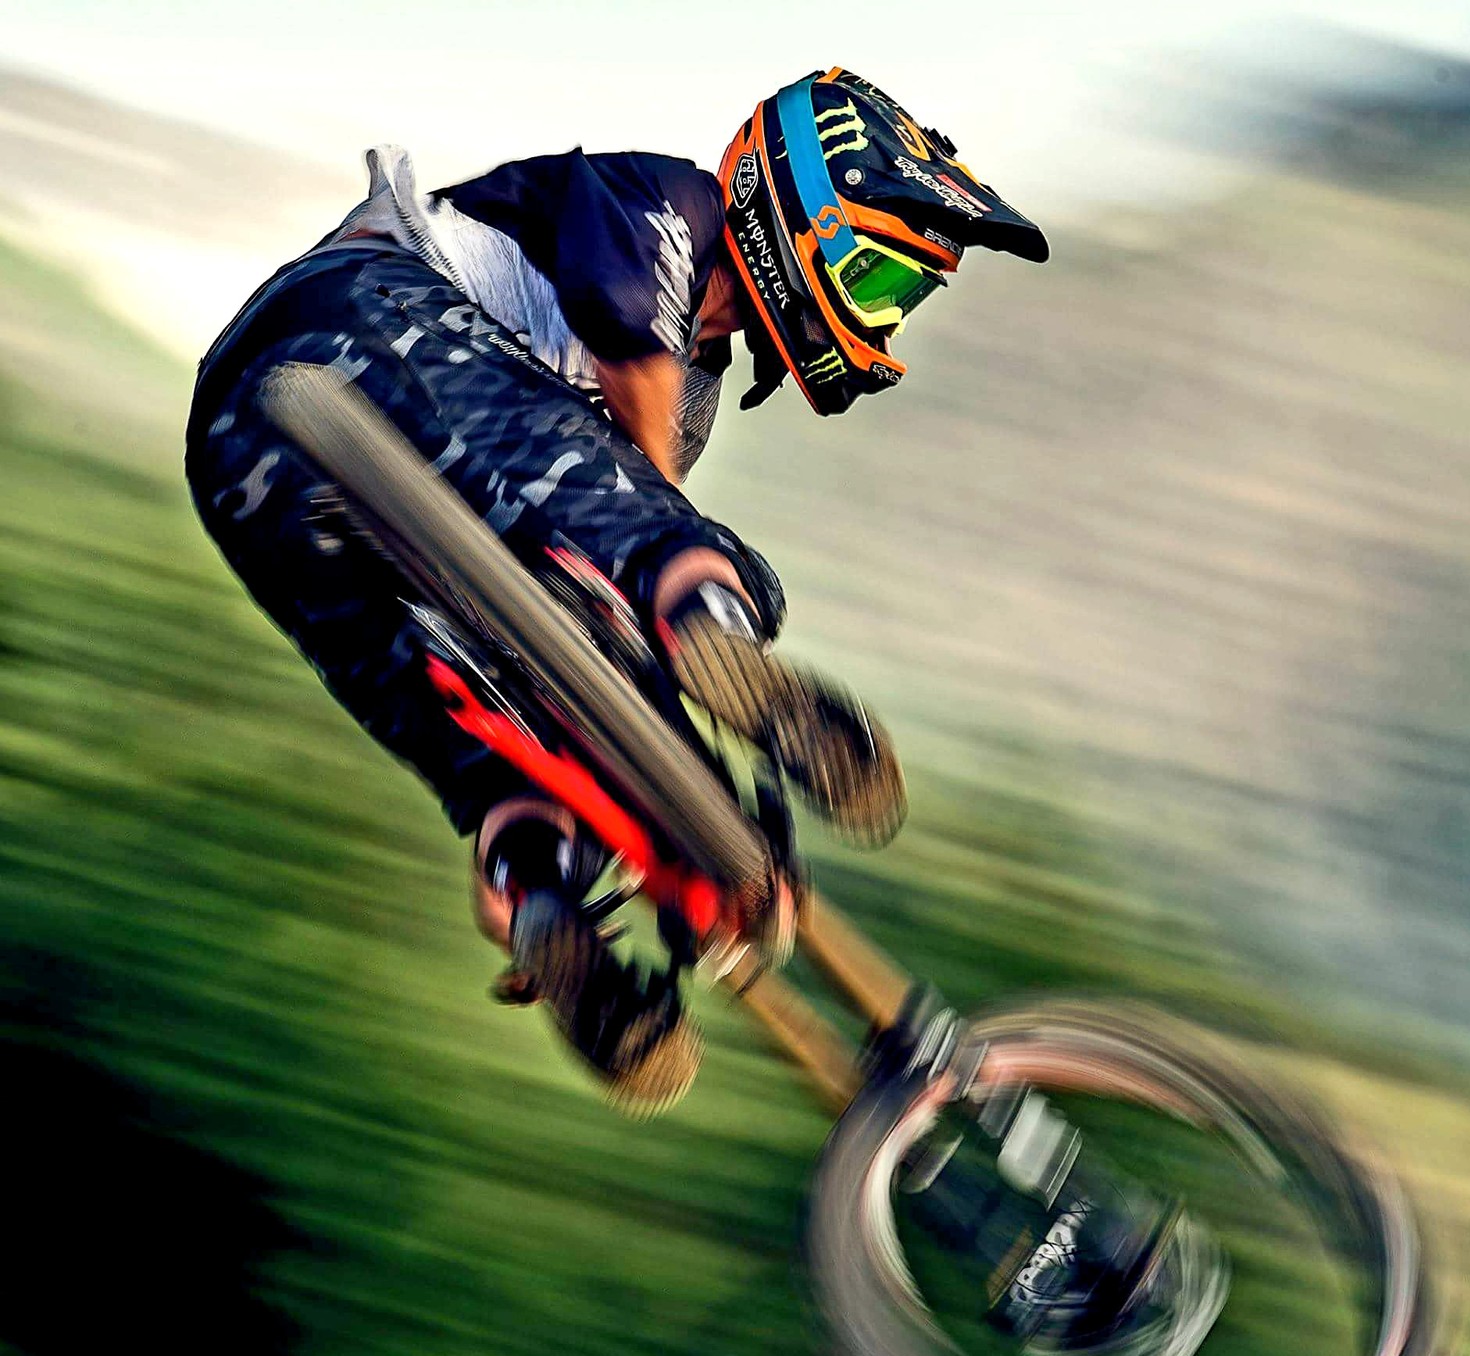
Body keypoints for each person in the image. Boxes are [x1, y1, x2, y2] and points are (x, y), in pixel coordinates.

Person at [185, 68, 1049, 1115]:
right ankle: (717, 642)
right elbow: (620, 353)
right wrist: (680, 636)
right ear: (801, 210)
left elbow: (583, 616)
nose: (880, 324)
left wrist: (688, 822)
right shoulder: (666, 202)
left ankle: (545, 898)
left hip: (247, 479)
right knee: (682, 562)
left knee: (479, 745)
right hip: (346, 322)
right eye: (877, 283)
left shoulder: (691, 392)